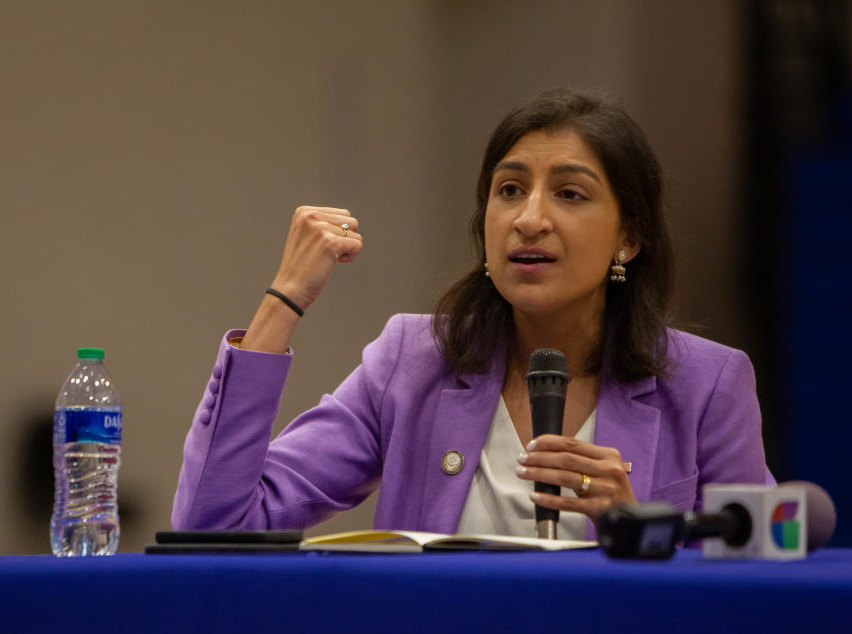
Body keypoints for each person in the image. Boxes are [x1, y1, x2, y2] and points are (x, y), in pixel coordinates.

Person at [171, 88, 773, 541]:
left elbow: (762, 571)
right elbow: (213, 524)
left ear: (630, 238)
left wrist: (640, 525)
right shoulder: (412, 362)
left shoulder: (706, 385)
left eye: (570, 194)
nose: (528, 218)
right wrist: (284, 300)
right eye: (509, 189)